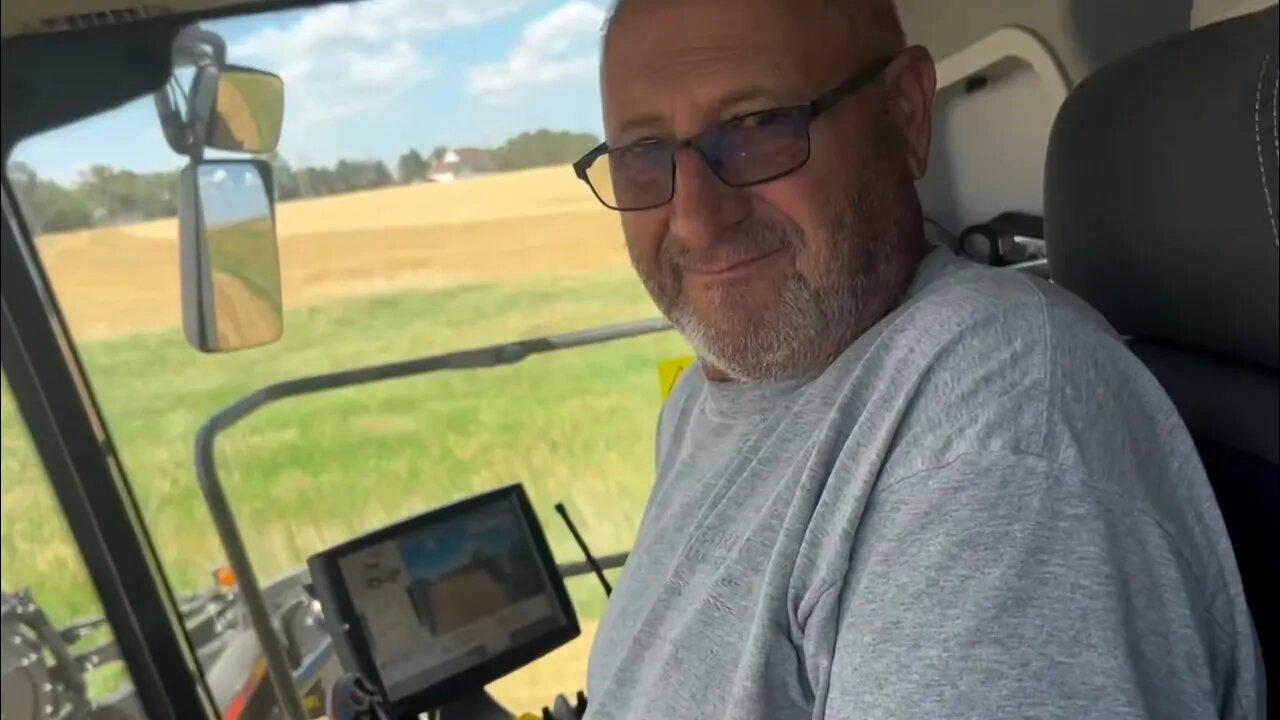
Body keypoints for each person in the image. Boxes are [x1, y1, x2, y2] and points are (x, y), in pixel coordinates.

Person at [571, 0, 1265, 718]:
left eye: (756, 127)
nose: (694, 217)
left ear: (904, 114)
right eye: (642, 156)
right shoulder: (698, 402)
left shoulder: (996, 419)